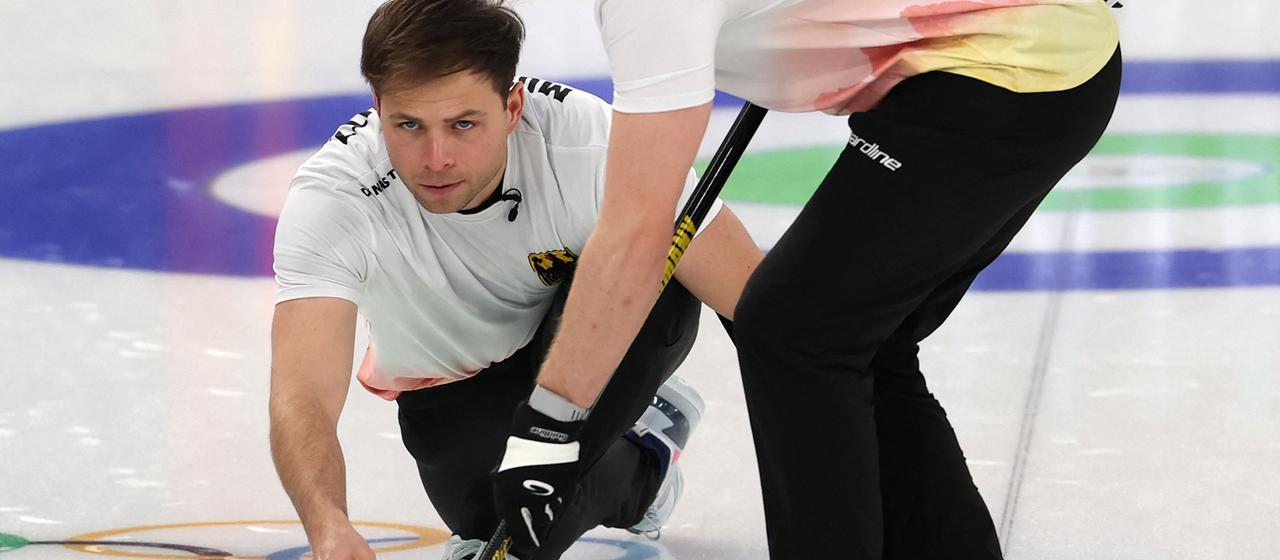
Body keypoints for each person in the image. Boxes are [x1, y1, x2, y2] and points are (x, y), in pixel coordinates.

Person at [491, 0, 1124, 558]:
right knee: (859, 342)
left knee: (793, 332)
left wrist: (549, 427)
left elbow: (636, 231)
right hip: (1047, 71)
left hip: (1002, 76)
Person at [266, 1, 762, 559]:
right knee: (499, 517)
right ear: (378, 108)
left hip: (594, 337)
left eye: (463, 125)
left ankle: (599, 416)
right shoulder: (334, 198)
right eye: (408, 125)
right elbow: (302, 394)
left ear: (512, 106)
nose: (436, 158)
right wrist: (328, 525)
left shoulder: (590, 146)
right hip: (460, 383)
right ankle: (647, 458)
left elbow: (762, 308)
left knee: (656, 265)